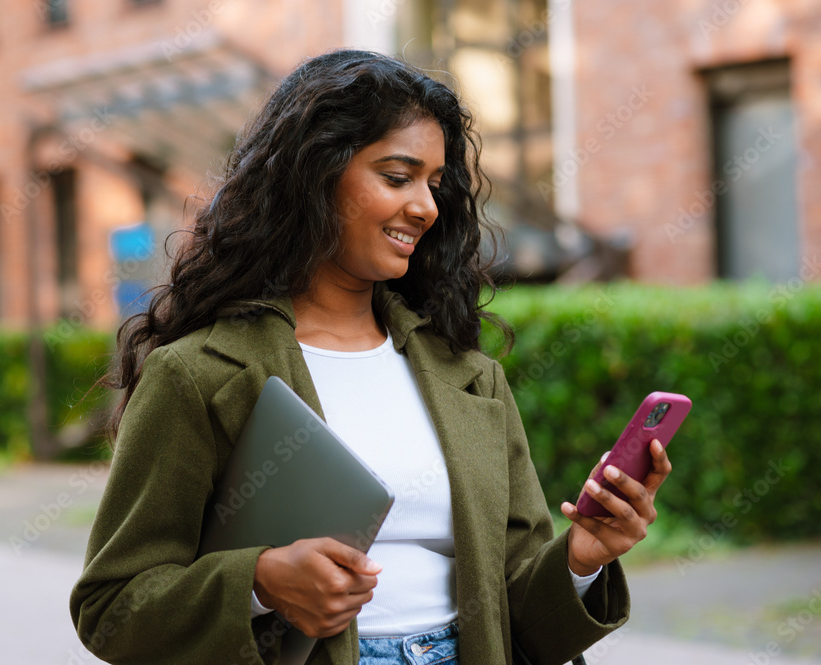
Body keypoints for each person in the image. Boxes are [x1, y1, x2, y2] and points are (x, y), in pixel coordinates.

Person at [69, 48, 671, 665]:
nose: (426, 206)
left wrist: (583, 557)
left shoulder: (468, 376)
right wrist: (259, 582)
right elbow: (112, 610)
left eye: (434, 183)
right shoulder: (198, 373)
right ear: (314, 175)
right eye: (396, 176)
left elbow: (518, 620)